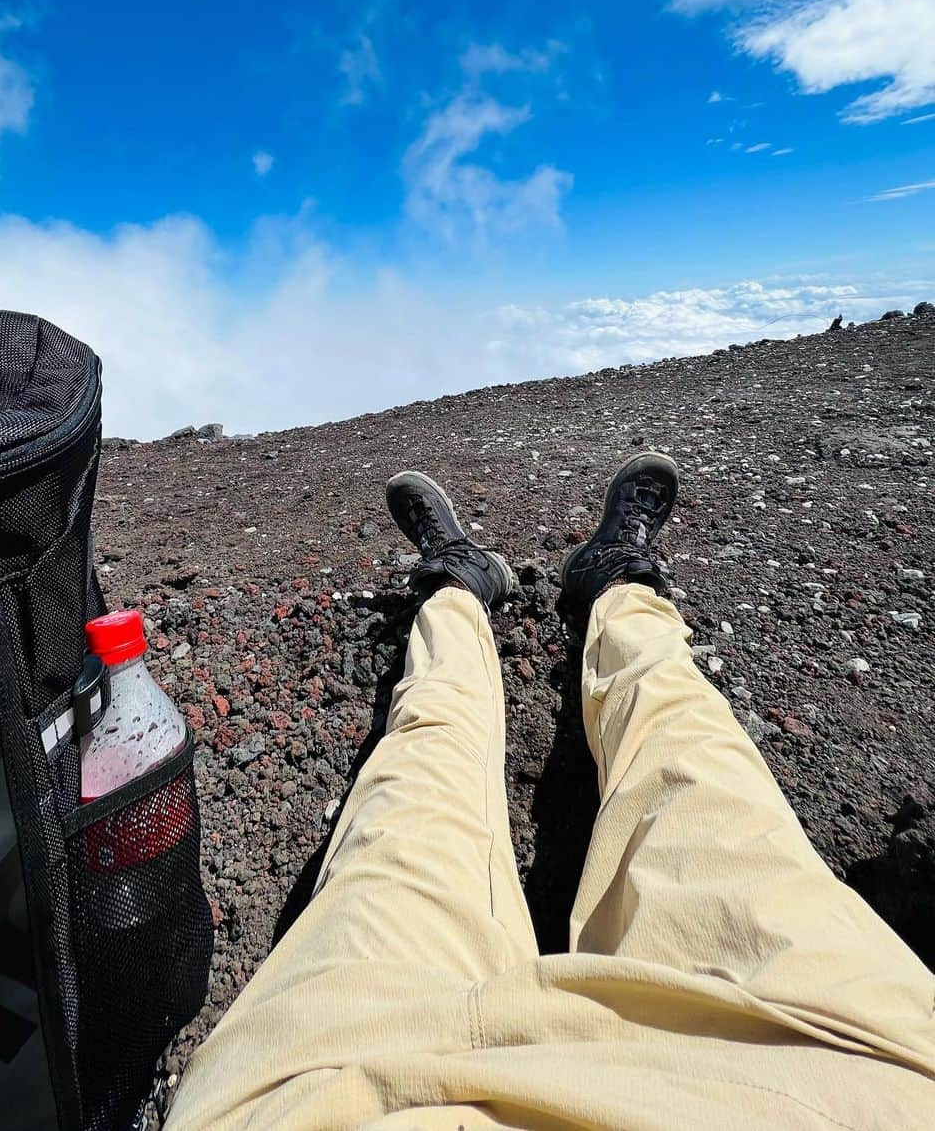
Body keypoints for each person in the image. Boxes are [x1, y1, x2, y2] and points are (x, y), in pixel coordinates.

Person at [167, 454, 935, 1129]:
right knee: (695, 759)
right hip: (834, 1077)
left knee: (417, 784)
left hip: (339, 1087)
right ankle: (612, 593)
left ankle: (459, 595)